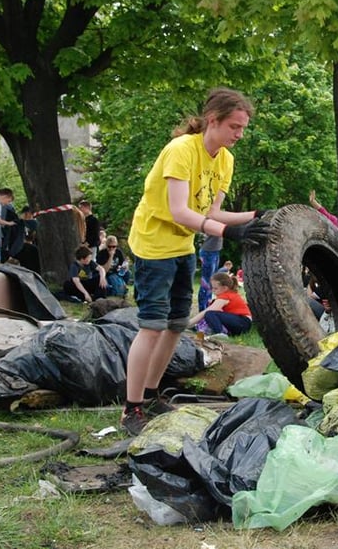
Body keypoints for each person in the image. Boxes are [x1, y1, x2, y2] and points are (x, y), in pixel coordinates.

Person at [121, 87, 271, 436]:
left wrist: (255, 216)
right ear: (212, 121)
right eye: (234, 126)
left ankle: (152, 395)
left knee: (176, 325)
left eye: (243, 128)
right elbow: (178, 210)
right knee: (152, 325)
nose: (239, 134)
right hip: (153, 245)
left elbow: (212, 211)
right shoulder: (181, 151)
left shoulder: (226, 160)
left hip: (182, 246)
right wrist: (226, 232)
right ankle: (131, 409)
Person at [188, 272, 252, 337]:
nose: (213, 290)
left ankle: (220, 333)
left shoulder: (226, 296)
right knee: (211, 313)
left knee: (209, 313)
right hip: (241, 323)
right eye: (212, 288)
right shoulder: (228, 294)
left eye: (215, 288)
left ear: (225, 288)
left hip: (243, 322)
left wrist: (189, 323)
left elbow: (206, 312)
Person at [198, 234, 223, 311]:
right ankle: (203, 309)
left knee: (211, 282)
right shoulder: (214, 221)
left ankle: (207, 307)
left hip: (214, 251)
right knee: (206, 283)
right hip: (208, 252)